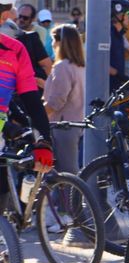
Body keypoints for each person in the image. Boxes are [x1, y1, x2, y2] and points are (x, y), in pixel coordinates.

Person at [42, 23, 85, 171]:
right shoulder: (80, 66)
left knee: (66, 174)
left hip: (62, 126)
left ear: (61, 42)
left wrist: (36, 115)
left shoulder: (62, 67)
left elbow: (56, 101)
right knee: (62, 174)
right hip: (75, 123)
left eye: (54, 40)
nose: (52, 44)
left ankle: (76, 196)